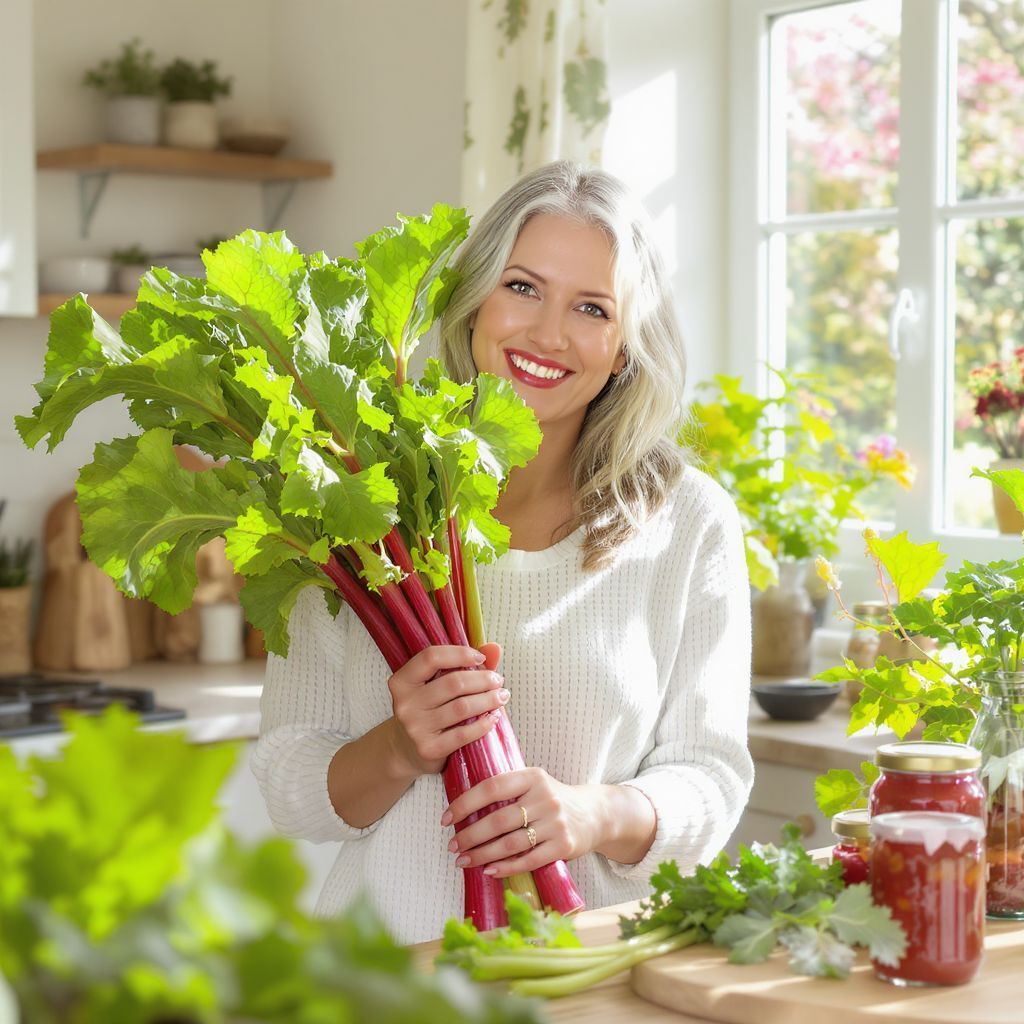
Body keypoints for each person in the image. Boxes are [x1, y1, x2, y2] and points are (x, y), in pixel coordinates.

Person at [251, 160, 754, 945]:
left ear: (624, 348)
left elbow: (714, 780)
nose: (548, 334)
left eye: (591, 307)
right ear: (473, 301)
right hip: (386, 977)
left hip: (585, 974)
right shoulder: (358, 501)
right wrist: (397, 747)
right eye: (522, 287)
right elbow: (290, 783)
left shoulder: (686, 520)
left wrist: (592, 815)